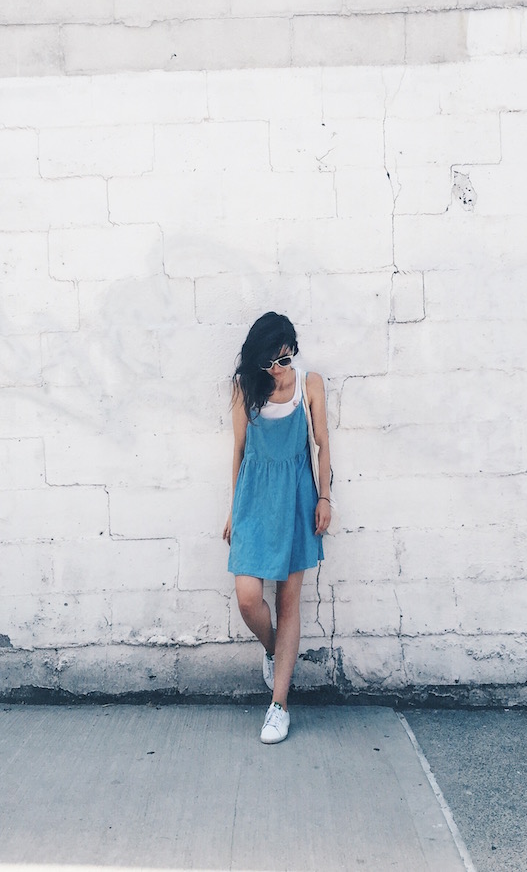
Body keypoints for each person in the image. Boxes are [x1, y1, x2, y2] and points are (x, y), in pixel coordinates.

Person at [222, 312, 332, 744]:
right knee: (248, 598)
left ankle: (279, 706)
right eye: (268, 362)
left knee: (288, 603)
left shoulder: (310, 385)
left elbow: (322, 444)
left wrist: (324, 497)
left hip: (296, 500)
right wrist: (234, 510)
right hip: (253, 500)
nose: (277, 370)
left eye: (284, 360)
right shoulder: (244, 388)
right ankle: (273, 649)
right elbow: (238, 451)